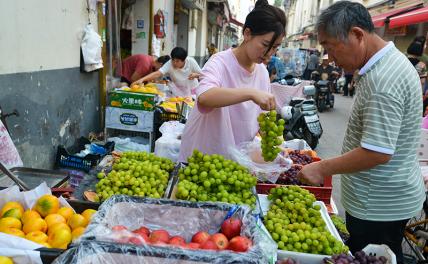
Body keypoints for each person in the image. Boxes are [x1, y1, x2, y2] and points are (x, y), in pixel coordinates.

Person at [297, 2, 425, 263]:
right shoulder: (388, 63)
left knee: (371, 256)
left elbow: (377, 152)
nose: (329, 58)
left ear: (357, 35)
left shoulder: (383, 81)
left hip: (378, 204)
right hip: (384, 198)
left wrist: (322, 168)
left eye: (331, 47)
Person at [178, 0, 286, 162]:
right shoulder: (219, 62)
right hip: (202, 158)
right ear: (247, 34)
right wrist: (250, 93)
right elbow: (205, 97)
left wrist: (275, 143)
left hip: (234, 161)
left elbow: (262, 121)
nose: (270, 53)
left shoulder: (262, 73)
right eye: (265, 44)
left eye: (275, 47)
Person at [133, 47, 202, 97]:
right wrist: (142, 79)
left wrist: (196, 75)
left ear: (184, 60)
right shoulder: (169, 63)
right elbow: (158, 73)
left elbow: (203, 74)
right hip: (178, 91)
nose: (174, 63)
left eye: (177, 61)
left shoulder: (191, 61)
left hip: (192, 91)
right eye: (173, 60)